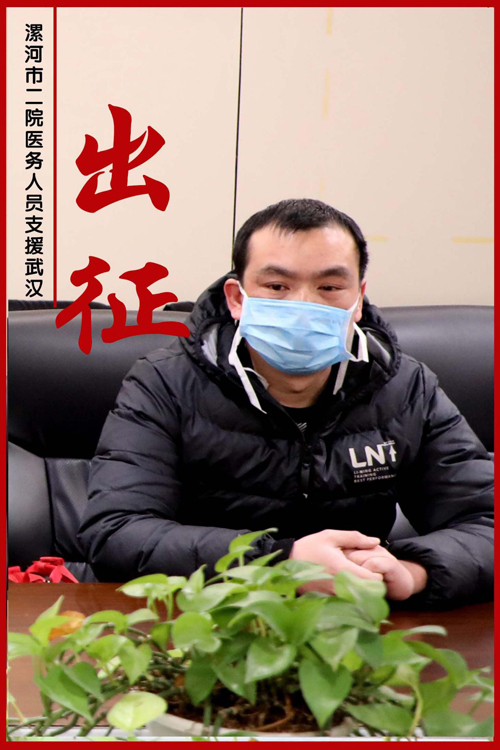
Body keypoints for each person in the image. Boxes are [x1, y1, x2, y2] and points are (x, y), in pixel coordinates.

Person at [79, 199, 493, 607]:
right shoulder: (165, 382)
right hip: (203, 620)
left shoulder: (405, 387)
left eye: (329, 288)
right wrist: (282, 562)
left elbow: (485, 521)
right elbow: (116, 532)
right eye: (277, 287)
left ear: (358, 299)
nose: (303, 306)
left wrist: (413, 572)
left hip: (353, 621)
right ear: (237, 298)